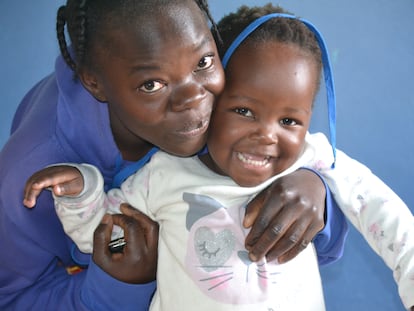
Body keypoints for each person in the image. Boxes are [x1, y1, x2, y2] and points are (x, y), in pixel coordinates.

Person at [22, 4, 414, 310]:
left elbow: (383, 212)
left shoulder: (310, 159)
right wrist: (81, 190)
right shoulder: (163, 174)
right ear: (215, 95)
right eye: (244, 111)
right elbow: (101, 238)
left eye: (290, 120)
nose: (266, 135)